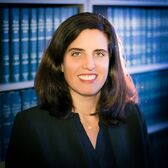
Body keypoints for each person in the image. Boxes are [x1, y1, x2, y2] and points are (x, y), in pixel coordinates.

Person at [5, 12, 150, 168]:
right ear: (60, 63)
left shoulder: (132, 115)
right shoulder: (29, 125)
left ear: (111, 63)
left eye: (99, 53)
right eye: (77, 53)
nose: (89, 65)